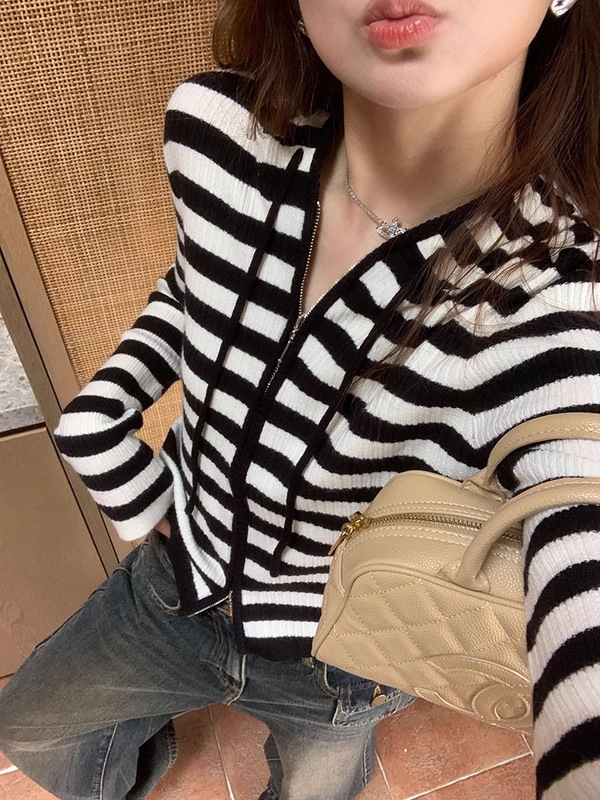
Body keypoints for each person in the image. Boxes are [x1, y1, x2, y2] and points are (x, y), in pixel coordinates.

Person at [1, 0, 599, 797]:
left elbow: (577, 499)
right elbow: (196, 286)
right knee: (31, 723)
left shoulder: (563, 291)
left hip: (342, 656)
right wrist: (101, 429)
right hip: (175, 580)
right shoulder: (218, 135)